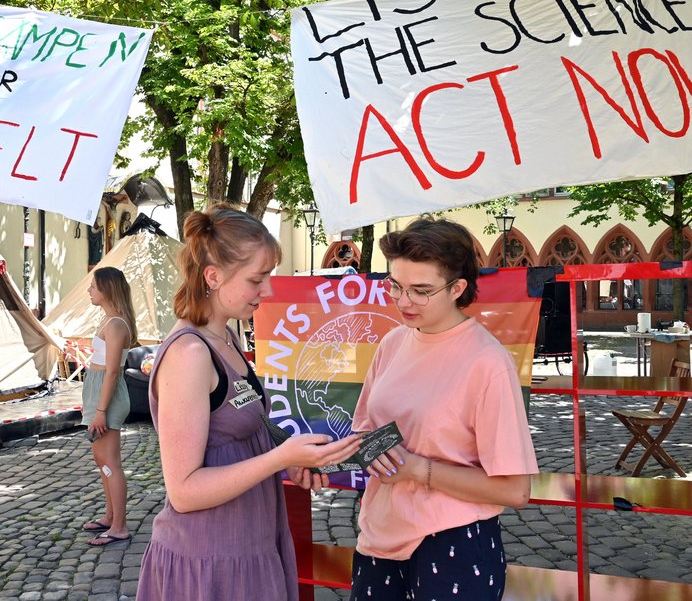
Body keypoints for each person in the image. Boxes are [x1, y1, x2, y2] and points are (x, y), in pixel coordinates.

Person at [136, 205, 361, 601]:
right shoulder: (190, 353)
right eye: (257, 279)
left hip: (248, 545)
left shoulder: (227, 337)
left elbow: (242, 436)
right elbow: (184, 491)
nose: (269, 290)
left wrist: (291, 458)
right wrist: (277, 460)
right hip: (211, 562)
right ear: (213, 276)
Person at [350, 218, 538, 600]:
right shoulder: (392, 343)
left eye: (421, 291)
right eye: (395, 286)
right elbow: (364, 430)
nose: (404, 302)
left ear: (458, 288)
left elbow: (516, 490)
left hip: (453, 542)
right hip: (379, 534)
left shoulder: (487, 362)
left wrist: (419, 469)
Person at [80, 267, 137, 547]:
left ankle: (119, 526)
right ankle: (110, 516)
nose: (89, 291)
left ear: (107, 289)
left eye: (93, 286)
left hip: (107, 396)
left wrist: (101, 410)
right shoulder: (109, 320)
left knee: (111, 462)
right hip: (98, 392)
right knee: (102, 461)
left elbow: (113, 371)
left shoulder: (116, 324)